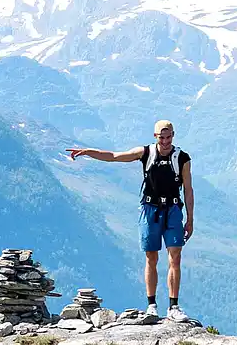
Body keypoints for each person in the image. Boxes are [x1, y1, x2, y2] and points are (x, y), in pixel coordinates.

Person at [66, 119, 194, 322]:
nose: (166, 141)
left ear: (173, 135)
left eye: (169, 137)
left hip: (173, 209)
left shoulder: (182, 158)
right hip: (149, 208)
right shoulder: (145, 153)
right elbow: (114, 157)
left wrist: (190, 219)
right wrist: (88, 151)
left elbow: (188, 189)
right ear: (155, 137)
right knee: (151, 257)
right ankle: (152, 304)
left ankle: (174, 306)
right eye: (162, 137)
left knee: (175, 257)